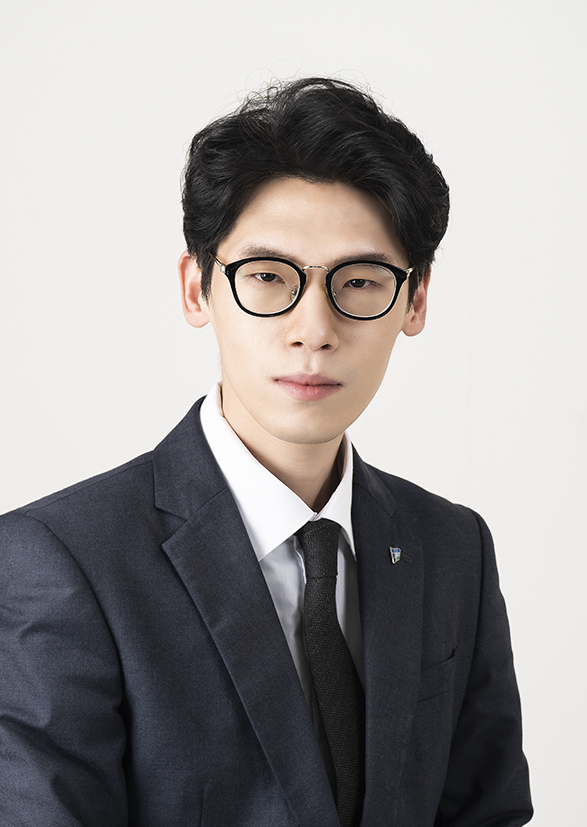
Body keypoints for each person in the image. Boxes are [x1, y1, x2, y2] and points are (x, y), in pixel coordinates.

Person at [0, 78, 532, 827]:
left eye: (360, 281)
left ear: (414, 301)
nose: (313, 329)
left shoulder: (453, 548)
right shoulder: (59, 560)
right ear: (197, 287)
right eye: (268, 278)